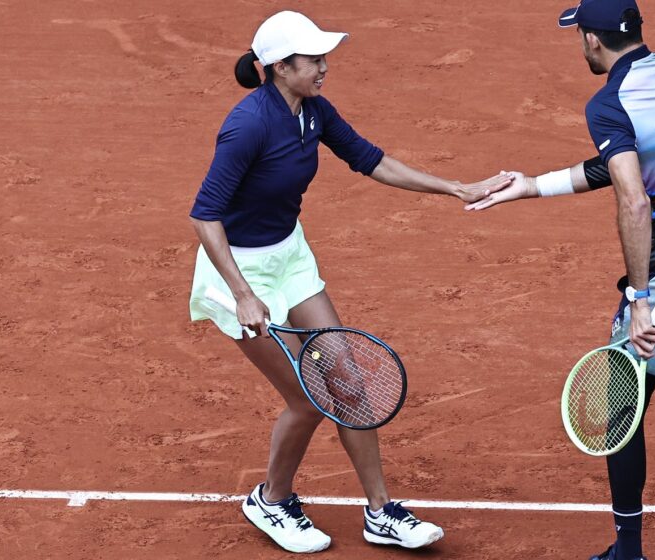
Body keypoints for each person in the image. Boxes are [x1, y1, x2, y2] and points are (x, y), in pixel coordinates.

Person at [187, 10, 510, 554]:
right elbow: (204, 214)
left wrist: (455, 187)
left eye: (323, 58)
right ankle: (271, 499)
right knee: (309, 400)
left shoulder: (312, 112)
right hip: (239, 273)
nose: (324, 67)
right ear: (279, 67)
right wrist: (244, 294)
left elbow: (370, 160)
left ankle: (381, 512)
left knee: (351, 386)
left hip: (289, 257)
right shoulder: (248, 125)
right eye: (313, 60)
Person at [466, 1, 655, 558]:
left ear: (592, 42)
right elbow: (640, 159)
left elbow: (633, 195)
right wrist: (534, 185)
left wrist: (637, 298)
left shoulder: (608, 104)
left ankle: (628, 549)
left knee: (621, 412)